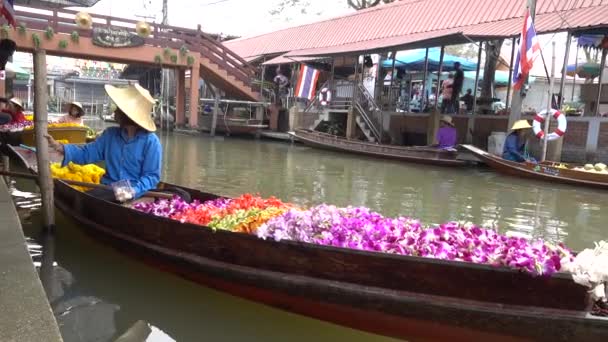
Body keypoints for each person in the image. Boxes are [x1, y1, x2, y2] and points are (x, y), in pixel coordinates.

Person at [46, 84, 162, 202]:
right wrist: (60, 147)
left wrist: (133, 191)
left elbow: (151, 176)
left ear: (128, 115)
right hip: (109, 189)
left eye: (119, 109)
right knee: (80, 201)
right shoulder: (110, 135)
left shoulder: (151, 142)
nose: (115, 111)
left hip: (138, 193)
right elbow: (86, 153)